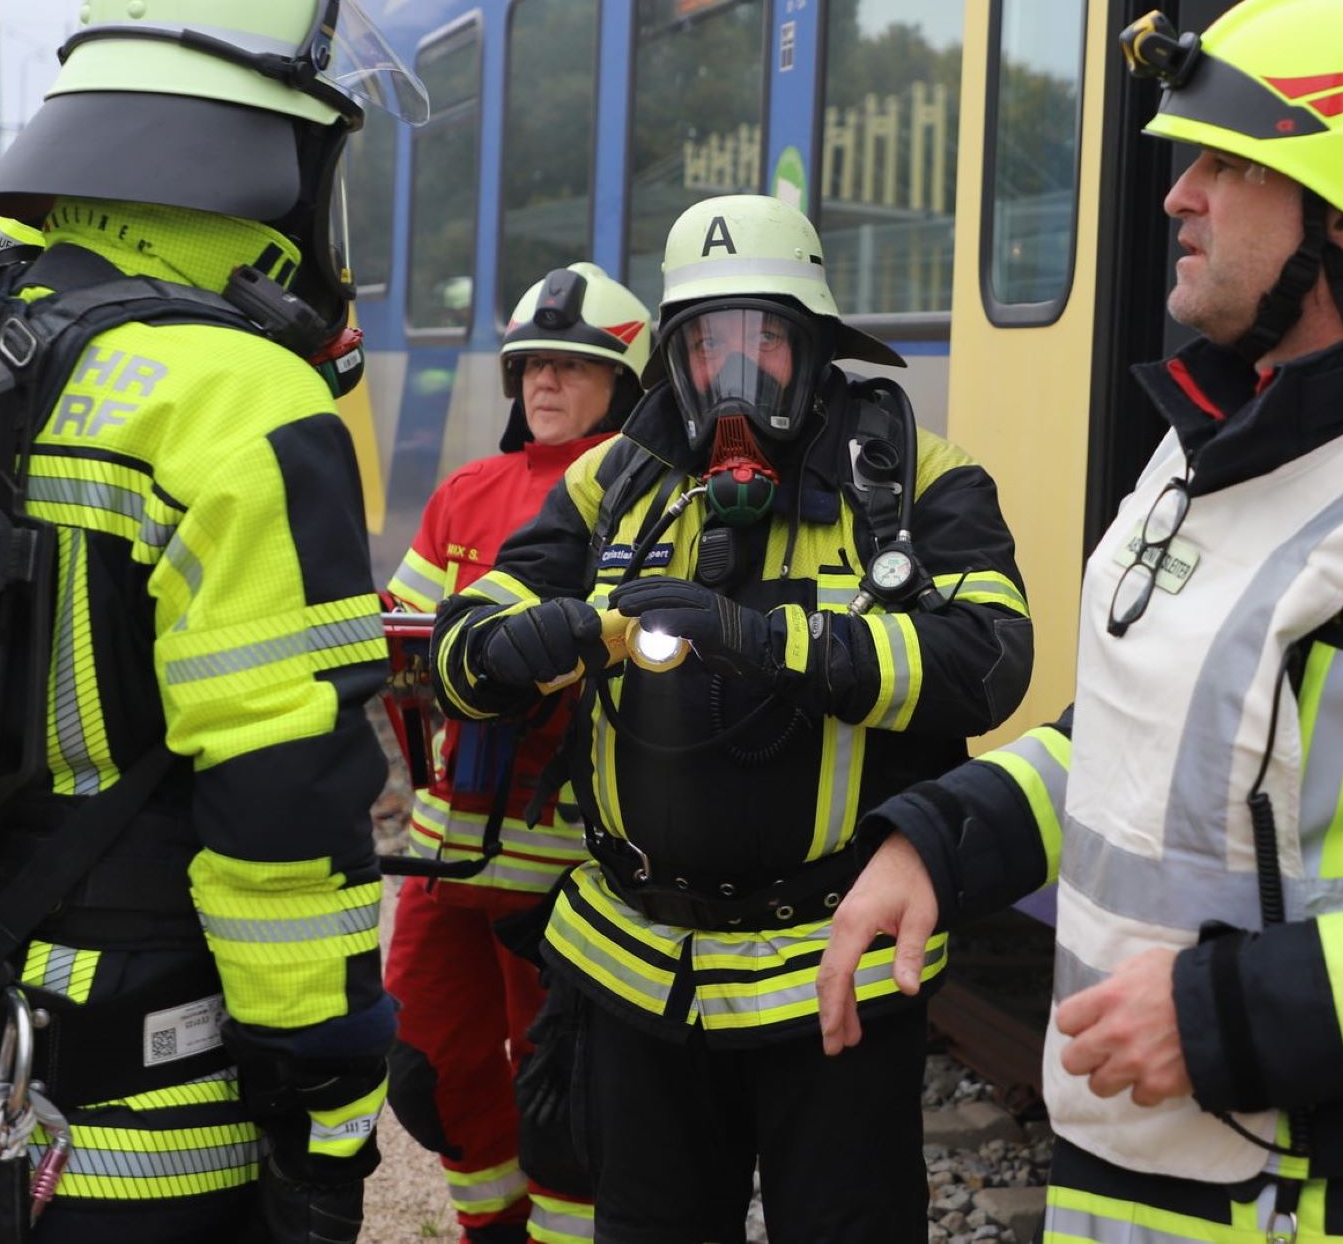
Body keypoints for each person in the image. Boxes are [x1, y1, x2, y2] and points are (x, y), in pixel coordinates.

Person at [818, 0, 1343, 1244]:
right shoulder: (1214, 443)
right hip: (1159, 1192)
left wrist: (1224, 1012)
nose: (1175, 196)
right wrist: (937, 842)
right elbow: (1133, 746)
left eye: (1224, 162)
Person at [0, 0, 428, 1243]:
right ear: (277, 158)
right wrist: (323, 1119)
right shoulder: (244, 401)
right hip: (114, 1143)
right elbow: (285, 818)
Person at [428, 194, 1033, 1244]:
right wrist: (509, 646)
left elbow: (988, 661)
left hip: (834, 972)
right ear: (673, 354)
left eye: (766, 339)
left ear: (816, 345)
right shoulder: (609, 480)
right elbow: (463, 638)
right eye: (709, 345)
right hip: (638, 971)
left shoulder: (915, 478)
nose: (737, 375)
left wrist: (766, 639)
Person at [382, 262, 651, 1244]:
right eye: (532, 364)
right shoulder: (465, 491)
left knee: (564, 1104)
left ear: (623, 383)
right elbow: (401, 629)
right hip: (444, 854)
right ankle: (488, 1229)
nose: (544, 381)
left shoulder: (645, 492)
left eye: (570, 367)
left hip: (569, 874)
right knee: (425, 1070)